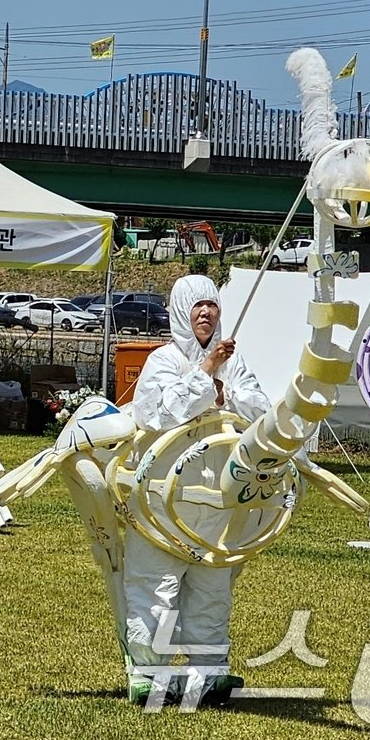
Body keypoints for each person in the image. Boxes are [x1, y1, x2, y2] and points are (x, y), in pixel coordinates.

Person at [125, 274, 268, 706]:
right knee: (156, 589)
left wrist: (223, 391)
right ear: (181, 312)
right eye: (197, 306)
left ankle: (209, 672)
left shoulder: (235, 364)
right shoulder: (162, 362)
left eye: (213, 306)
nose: (206, 314)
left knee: (212, 588)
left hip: (216, 499)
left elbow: (259, 409)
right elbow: (158, 415)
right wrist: (207, 376)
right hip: (163, 502)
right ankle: (148, 672)